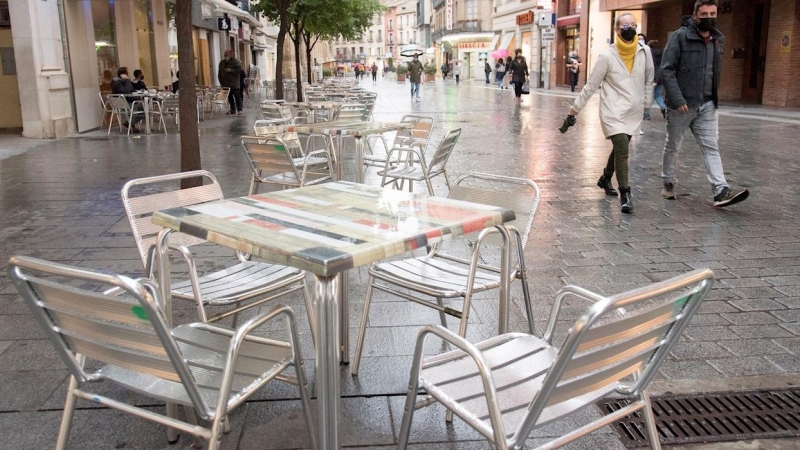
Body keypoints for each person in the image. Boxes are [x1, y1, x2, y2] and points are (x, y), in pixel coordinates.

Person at [660, 0, 748, 207]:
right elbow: (666, 69)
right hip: (681, 105)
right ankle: (668, 182)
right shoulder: (680, 37)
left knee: (711, 146)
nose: (708, 17)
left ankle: (720, 190)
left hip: (707, 104)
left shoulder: (717, 40)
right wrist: (677, 98)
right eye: (704, 14)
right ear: (695, 15)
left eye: (713, 13)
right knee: (673, 145)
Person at [567, 13, 654, 214]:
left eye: (633, 24)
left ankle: (605, 178)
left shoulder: (645, 51)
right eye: (626, 25)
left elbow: (650, 78)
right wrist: (575, 109)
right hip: (612, 111)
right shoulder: (607, 57)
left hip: (633, 110)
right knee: (623, 148)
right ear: (616, 29)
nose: (630, 28)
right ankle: (626, 194)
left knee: (619, 149)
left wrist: (646, 103)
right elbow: (591, 85)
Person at [111, 66, 145, 132]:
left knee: (143, 108)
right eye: (127, 73)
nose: (128, 75)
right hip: (123, 103)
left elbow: (131, 90)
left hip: (126, 101)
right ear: (124, 75)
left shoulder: (121, 82)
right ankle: (130, 123)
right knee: (140, 108)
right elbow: (127, 91)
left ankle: (131, 123)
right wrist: (127, 81)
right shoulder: (117, 83)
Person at [218, 49, 243, 115]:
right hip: (226, 84)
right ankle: (232, 109)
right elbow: (220, 73)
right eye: (225, 53)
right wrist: (221, 82)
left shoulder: (236, 62)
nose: (226, 54)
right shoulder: (222, 63)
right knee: (229, 97)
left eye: (227, 53)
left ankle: (239, 109)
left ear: (231, 54)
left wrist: (231, 70)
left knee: (237, 96)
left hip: (234, 83)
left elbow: (240, 71)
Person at [647, 40, 665, 119]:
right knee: (658, 95)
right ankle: (663, 107)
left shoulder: (649, 54)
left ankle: (646, 115)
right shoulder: (662, 54)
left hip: (651, 77)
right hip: (660, 78)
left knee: (648, 96)